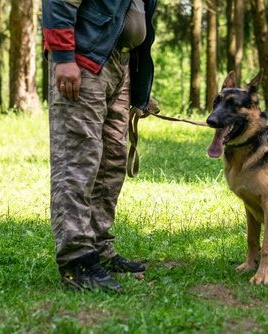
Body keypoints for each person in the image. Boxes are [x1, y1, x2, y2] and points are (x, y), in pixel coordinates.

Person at [42, 0, 157, 292]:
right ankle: (76, 259)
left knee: (112, 161)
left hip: (119, 65)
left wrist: (141, 91)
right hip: (83, 60)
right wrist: (64, 57)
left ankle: (99, 247)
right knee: (79, 159)